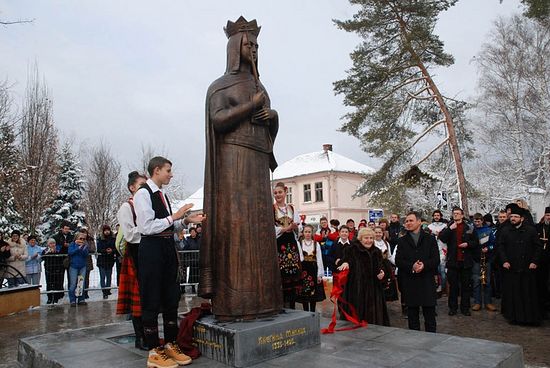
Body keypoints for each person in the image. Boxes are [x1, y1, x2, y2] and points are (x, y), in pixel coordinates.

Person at [200, 16, 283, 322]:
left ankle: (266, 300)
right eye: (250, 45)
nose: (256, 51)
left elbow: (268, 121)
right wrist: (250, 106)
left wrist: (270, 115)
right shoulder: (221, 85)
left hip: (257, 161)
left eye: (258, 46)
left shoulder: (259, 84)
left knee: (260, 229)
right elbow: (218, 120)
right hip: (233, 163)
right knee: (237, 230)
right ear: (236, 47)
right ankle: (236, 301)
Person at [134, 157, 203, 367]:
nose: (171, 174)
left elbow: (166, 226)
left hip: (166, 249)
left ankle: (171, 344)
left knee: (171, 297)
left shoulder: (162, 194)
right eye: (168, 170)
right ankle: (155, 351)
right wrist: (174, 217)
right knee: (152, 298)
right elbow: (146, 227)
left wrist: (185, 221)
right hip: (151, 250)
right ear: (157, 170)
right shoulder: (143, 194)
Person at [116, 171, 148, 351]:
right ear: (132, 187)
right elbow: (129, 234)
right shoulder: (127, 207)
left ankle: (149, 334)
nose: (145, 189)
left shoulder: (147, 206)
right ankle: (140, 337)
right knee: (138, 300)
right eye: (141, 185)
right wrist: (150, 231)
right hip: (135, 254)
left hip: (148, 254)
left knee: (148, 298)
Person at [395, 211, 440, 332]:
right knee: (413, 318)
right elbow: (398, 260)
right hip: (410, 281)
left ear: (419, 222)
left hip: (427, 281)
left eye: (411, 220)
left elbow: (436, 259)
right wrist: (412, 266)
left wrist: (424, 265)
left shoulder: (430, 239)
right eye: (406, 221)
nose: (408, 223)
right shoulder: (402, 241)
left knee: (430, 317)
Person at [498, 206, 542, 325]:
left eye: (516, 217)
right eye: (511, 216)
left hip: (527, 268)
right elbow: (501, 247)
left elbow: (538, 247)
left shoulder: (530, 230)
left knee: (527, 293)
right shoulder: (505, 230)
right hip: (512, 268)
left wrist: (534, 262)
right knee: (514, 294)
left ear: (521, 218)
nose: (513, 218)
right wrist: (504, 261)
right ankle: (515, 318)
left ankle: (529, 319)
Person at [337, 228, 389, 326]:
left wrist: (382, 272)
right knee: (355, 319)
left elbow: (382, 266)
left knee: (372, 320)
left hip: (373, 291)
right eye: (366, 238)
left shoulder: (377, 251)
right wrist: (345, 263)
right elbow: (344, 260)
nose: (368, 240)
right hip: (356, 290)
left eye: (371, 238)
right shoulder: (351, 249)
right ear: (360, 239)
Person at [439, 207, 478, 316]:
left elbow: (476, 242)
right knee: (453, 287)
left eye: (457, 213)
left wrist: (468, 244)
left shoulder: (469, 227)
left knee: (466, 287)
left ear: (462, 215)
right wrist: (450, 229)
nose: (455, 215)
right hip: (453, 261)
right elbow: (442, 238)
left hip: (466, 262)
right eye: (454, 213)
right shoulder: (449, 226)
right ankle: (453, 308)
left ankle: (465, 308)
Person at [273, 182, 303, 309]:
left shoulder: (291, 208)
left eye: (280, 192)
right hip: (280, 243)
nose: (277, 195)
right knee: (282, 273)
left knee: (293, 273)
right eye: (275, 193)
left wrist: (296, 227)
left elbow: (299, 225)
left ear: (285, 193)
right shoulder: (272, 209)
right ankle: (282, 305)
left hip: (291, 242)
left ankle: (292, 305)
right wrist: (286, 228)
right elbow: (271, 229)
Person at [296, 224, 325, 312]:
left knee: (313, 292)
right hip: (304, 269)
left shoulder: (316, 244)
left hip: (313, 269)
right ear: (303, 233)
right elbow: (299, 258)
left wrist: (319, 274)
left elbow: (319, 259)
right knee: (304, 291)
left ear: (312, 233)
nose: (308, 234)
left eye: (309, 232)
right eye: (306, 232)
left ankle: (312, 311)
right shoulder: (299, 243)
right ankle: (305, 311)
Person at [472, 213, 497, 312]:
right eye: (475, 221)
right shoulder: (471, 230)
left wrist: (488, 248)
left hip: (486, 259)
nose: (477, 223)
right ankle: (477, 302)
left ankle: (488, 302)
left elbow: (493, 245)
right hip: (475, 260)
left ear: (482, 220)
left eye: (478, 221)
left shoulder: (488, 231)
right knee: (476, 281)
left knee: (487, 281)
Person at [428, 210, 448, 296]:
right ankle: (434, 289)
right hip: (432, 251)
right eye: (435, 215)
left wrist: (440, 235)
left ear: (440, 216)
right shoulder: (429, 226)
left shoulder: (445, 226)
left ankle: (443, 289)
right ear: (433, 216)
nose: (436, 217)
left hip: (443, 250)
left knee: (442, 272)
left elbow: (447, 238)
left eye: (438, 215)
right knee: (433, 272)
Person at [374, 226, 398, 302]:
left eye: (379, 232)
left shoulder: (386, 243)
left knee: (385, 288)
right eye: (376, 232)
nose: (378, 234)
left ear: (382, 233)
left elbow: (390, 256)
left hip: (386, 267)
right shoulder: (371, 242)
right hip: (376, 266)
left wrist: (397, 263)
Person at [68, 230, 89, 306]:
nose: (82, 240)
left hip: (82, 266)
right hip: (73, 266)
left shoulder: (85, 245)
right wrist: (77, 248)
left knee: (81, 283)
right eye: (81, 238)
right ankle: (72, 300)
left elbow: (86, 254)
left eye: (84, 239)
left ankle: (81, 299)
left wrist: (83, 248)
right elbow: (70, 252)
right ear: (77, 238)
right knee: (73, 284)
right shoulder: (72, 244)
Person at [535, 206, 550, 315]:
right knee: (541, 283)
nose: (549, 217)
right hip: (541, 259)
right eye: (548, 215)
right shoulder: (539, 227)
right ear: (544, 215)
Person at [96, 225, 116, 299]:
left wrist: (112, 250)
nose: (107, 232)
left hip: (110, 260)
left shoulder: (113, 238)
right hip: (102, 260)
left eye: (108, 230)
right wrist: (105, 251)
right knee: (102, 277)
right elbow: (98, 249)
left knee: (109, 277)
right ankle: (104, 291)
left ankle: (108, 289)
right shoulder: (99, 238)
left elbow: (115, 247)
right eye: (105, 230)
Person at [42, 238, 64, 304]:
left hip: (57, 269)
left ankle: (56, 298)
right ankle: (49, 298)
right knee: (49, 284)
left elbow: (62, 257)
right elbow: (43, 258)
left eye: (53, 243)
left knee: (57, 284)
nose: (52, 245)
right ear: (48, 244)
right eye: (51, 243)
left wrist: (56, 253)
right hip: (48, 269)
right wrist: (48, 253)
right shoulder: (45, 250)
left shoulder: (58, 249)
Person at [79, 227, 96, 300]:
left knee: (86, 278)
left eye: (85, 233)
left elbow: (92, 249)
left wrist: (85, 247)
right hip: (79, 261)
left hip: (88, 260)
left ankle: (85, 292)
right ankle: (79, 292)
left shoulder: (90, 240)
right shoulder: (78, 240)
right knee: (80, 278)